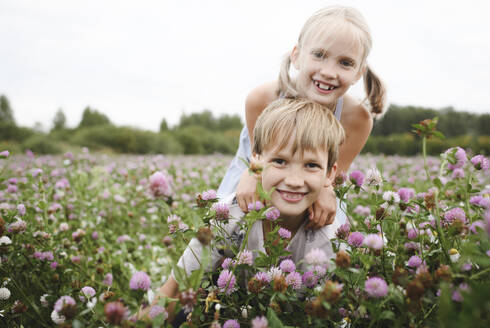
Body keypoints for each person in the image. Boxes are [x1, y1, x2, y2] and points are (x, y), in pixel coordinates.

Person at [140, 98, 345, 323]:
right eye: (280, 161)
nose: (295, 181)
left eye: (311, 165)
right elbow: (173, 291)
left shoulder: (331, 242)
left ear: (329, 174)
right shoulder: (228, 217)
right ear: (255, 162)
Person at [217, 5, 386, 229]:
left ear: (358, 73)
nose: (328, 72)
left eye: (345, 63)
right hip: (258, 171)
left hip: (312, 184)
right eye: (319, 55)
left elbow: (333, 176)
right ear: (296, 56)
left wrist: (327, 191)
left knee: (324, 226)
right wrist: (253, 174)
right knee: (232, 227)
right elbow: (256, 159)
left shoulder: (357, 119)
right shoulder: (262, 98)